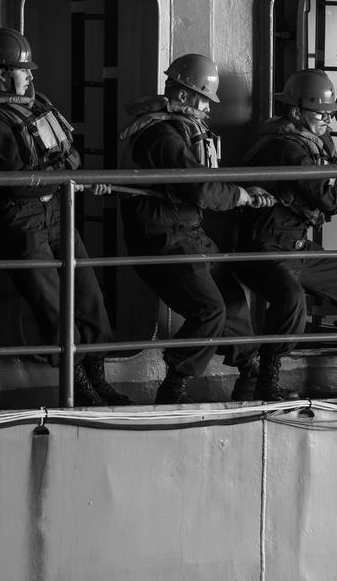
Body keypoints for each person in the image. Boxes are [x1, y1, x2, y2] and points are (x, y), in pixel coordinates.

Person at [0, 27, 130, 406]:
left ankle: (98, 379)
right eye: (24, 70)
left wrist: (65, 177)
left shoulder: (36, 105)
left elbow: (72, 156)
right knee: (52, 309)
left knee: (90, 298)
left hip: (57, 211)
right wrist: (64, 177)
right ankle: (78, 385)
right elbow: (17, 183)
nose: (31, 76)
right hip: (23, 221)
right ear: (2, 74)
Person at [118, 53, 275, 404]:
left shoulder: (181, 128)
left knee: (232, 299)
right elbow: (199, 188)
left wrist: (243, 192)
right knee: (209, 309)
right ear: (186, 96)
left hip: (186, 230)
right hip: (161, 235)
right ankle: (175, 383)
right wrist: (243, 197)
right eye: (205, 99)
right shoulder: (162, 135)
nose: (208, 108)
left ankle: (250, 372)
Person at [235, 69, 337, 399]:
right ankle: (263, 383)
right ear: (295, 112)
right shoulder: (286, 148)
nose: (327, 122)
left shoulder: (311, 143)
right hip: (265, 247)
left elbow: (336, 201)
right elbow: (332, 201)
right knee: (291, 300)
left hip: (298, 245)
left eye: (330, 114)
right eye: (321, 114)